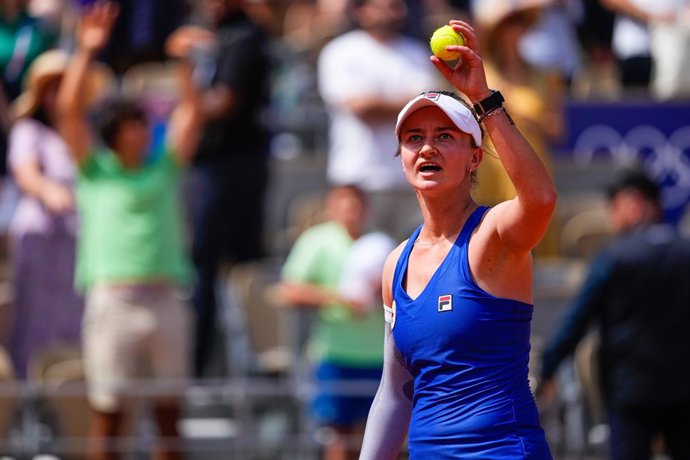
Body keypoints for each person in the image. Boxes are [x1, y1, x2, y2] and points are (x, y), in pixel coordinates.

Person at [358, 19, 557, 459]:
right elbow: (395, 393)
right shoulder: (397, 264)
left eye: (444, 136)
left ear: (473, 158)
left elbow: (541, 198)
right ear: (402, 158)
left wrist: (484, 100)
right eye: (414, 138)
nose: (427, 148)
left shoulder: (492, 235)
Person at [56, 2, 202, 459]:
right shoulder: (94, 172)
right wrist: (85, 53)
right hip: (111, 300)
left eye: (143, 122)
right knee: (109, 417)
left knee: (168, 419)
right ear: (115, 132)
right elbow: (68, 111)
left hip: (166, 298)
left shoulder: (164, 168)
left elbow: (192, 114)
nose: (143, 130)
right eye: (134, 124)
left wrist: (182, 64)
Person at [538, 168, 690, 460]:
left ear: (635, 205)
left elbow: (577, 320)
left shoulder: (613, 257)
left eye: (615, 206)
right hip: (683, 388)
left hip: (630, 391)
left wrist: (548, 370)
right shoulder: (685, 252)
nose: (611, 217)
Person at [167, 0, 272, 378]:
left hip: (230, 171)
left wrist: (183, 88)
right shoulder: (217, 34)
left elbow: (221, 103)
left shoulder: (243, 37)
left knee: (218, 270)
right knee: (203, 272)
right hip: (216, 169)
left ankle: (213, 373)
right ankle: (201, 368)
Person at [5, 48, 110, 379]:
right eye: (54, 87)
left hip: (80, 244)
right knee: (35, 323)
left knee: (77, 323)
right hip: (41, 240)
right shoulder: (29, 132)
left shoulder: (89, 137)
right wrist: (48, 191)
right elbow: (26, 173)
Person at [278, 185, 392, 460]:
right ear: (332, 208)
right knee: (337, 436)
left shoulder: (382, 244)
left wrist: (378, 294)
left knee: (379, 438)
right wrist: (340, 299)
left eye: (356, 205)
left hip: (379, 359)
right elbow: (288, 290)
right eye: (343, 205)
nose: (350, 212)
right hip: (334, 355)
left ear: (367, 209)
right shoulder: (316, 241)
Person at [317, 0, 438, 241]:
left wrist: (385, 105)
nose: (393, 12)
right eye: (383, 5)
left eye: (396, 5)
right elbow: (361, 108)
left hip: (410, 181)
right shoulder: (340, 52)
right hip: (359, 179)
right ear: (360, 11)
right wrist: (409, 105)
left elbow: (429, 109)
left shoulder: (416, 53)